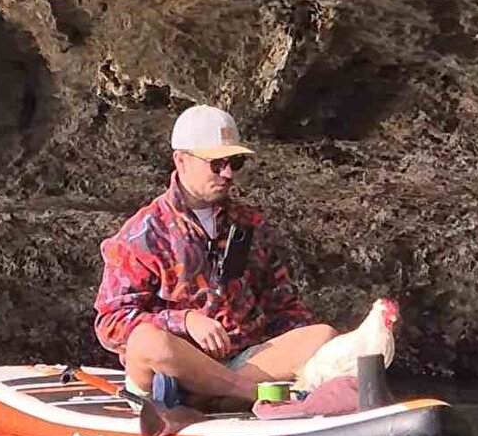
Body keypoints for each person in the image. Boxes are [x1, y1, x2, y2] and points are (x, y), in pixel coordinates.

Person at [93, 104, 336, 406]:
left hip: (243, 363)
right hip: (173, 374)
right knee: (148, 341)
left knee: (322, 336)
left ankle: (214, 396)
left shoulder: (250, 224)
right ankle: (241, 395)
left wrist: (332, 356)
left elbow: (284, 306)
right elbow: (111, 323)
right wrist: (185, 321)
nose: (228, 173)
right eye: (216, 163)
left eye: (235, 162)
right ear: (181, 161)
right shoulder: (142, 234)